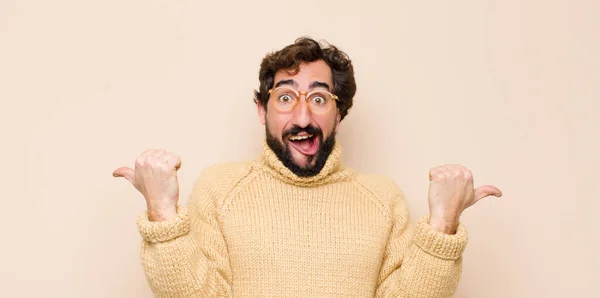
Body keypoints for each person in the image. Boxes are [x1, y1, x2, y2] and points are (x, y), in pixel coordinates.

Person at [113, 37, 502, 297]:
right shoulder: (220, 188)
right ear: (262, 110)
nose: (302, 117)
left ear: (338, 112)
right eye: (285, 97)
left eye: (319, 99)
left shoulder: (382, 198)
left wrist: (443, 225)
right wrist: (162, 215)